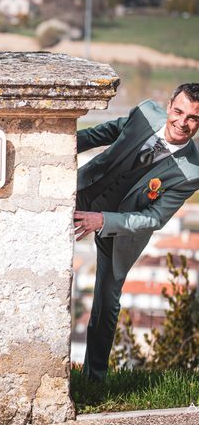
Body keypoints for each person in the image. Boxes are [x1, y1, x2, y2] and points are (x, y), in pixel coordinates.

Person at [74, 82, 199, 381]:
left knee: (106, 302)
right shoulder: (144, 112)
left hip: (121, 230)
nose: (182, 123)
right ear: (169, 106)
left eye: (193, 118)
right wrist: (57, 144)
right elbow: (101, 133)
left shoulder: (192, 173)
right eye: (179, 111)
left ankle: (95, 379)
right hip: (83, 192)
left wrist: (103, 221)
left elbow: (153, 218)